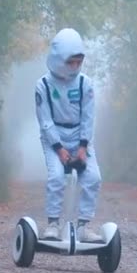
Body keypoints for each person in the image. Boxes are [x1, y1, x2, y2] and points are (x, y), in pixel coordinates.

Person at [34, 28, 102, 242]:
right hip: (54, 138)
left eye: (78, 62)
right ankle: (53, 223)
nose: (74, 67)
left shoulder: (85, 84)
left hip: (80, 137)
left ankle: (83, 225)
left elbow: (89, 117)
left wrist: (82, 148)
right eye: (70, 62)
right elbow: (44, 120)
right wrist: (59, 149)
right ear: (58, 59)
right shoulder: (43, 85)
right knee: (56, 177)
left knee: (93, 177)